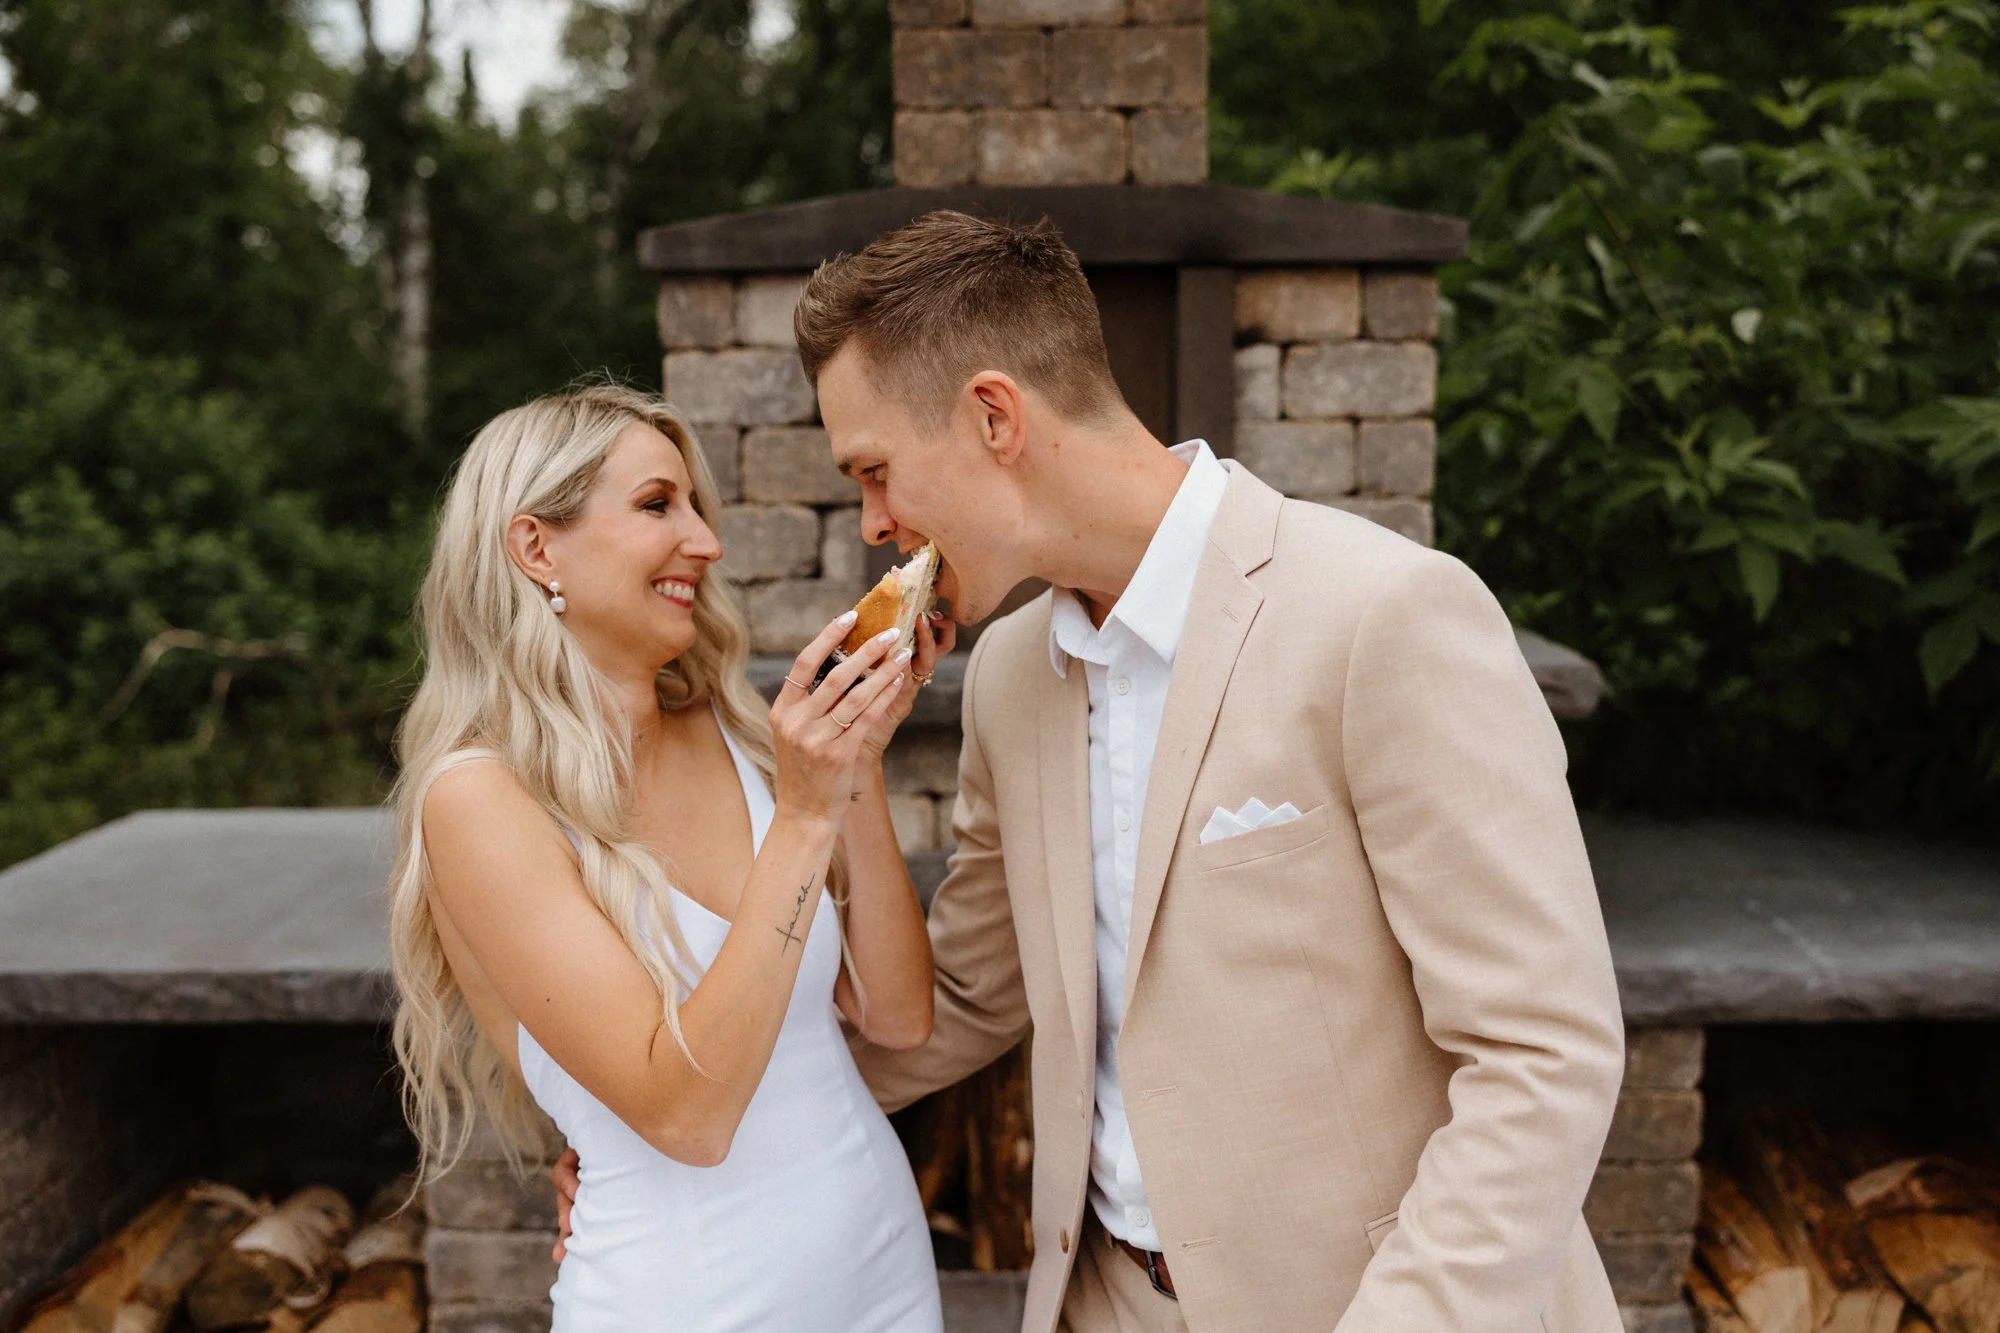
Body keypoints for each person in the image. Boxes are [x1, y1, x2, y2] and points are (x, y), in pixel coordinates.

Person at [559, 212, 1630, 1332]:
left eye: (874, 472)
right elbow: (961, 1004)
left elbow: (1539, 1054)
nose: (874, 525)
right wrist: (672, 1143)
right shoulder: (1008, 678)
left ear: (991, 417)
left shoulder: (1383, 615)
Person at [386, 383, 950, 1332]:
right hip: (691, 1299)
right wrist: (807, 815)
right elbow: (687, 1115)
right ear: (535, 547)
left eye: (694, 505)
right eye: (658, 505)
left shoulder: (736, 734)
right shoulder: (480, 798)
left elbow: (896, 1015)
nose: (706, 541)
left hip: (882, 1276)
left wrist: (858, 763)